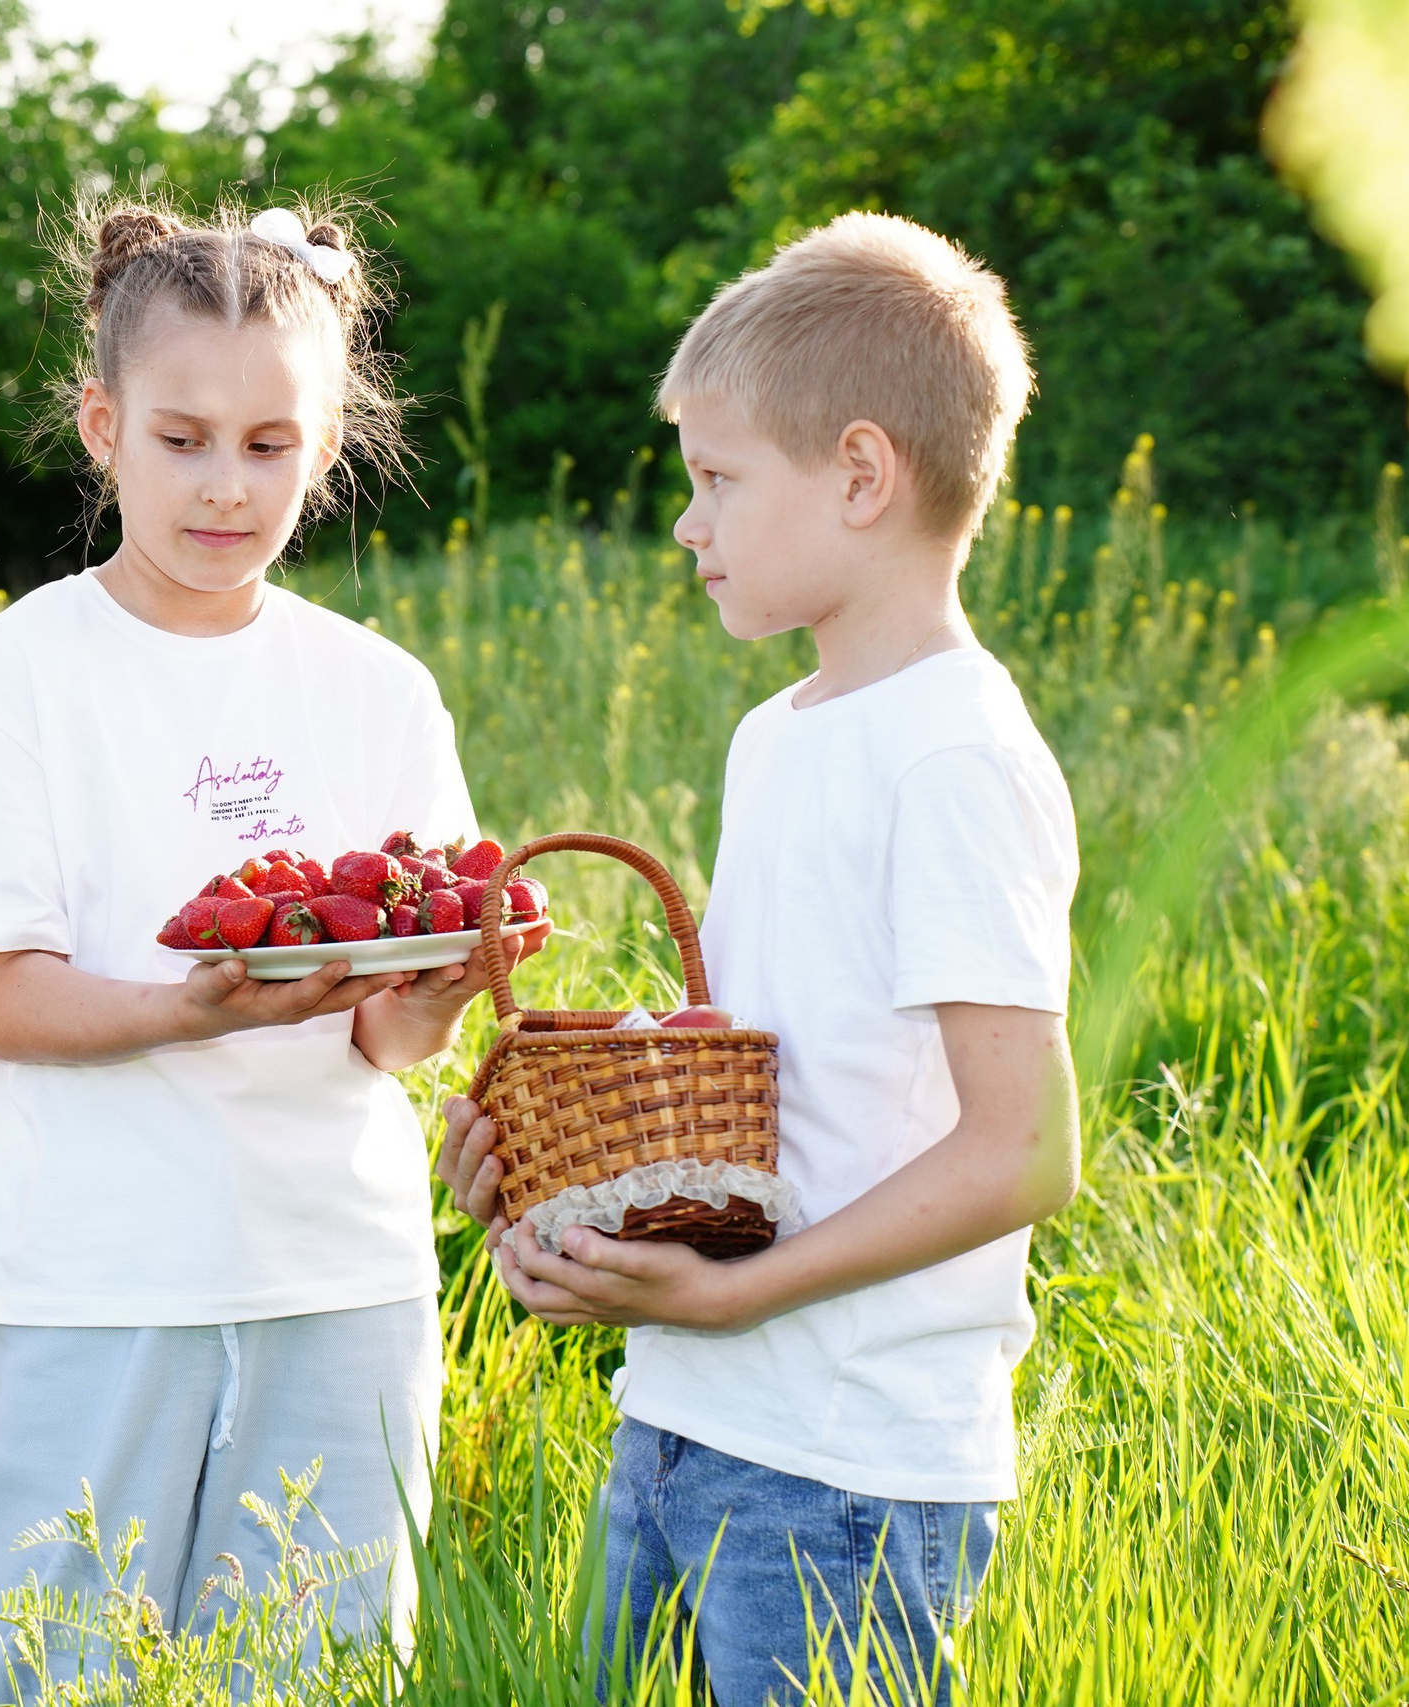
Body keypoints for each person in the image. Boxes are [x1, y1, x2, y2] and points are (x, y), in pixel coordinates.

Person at [0, 200, 543, 1703]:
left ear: (326, 450)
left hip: (336, 1271)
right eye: (182, 439)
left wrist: (436, 988)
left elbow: (383, 1039)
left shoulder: (376, 690)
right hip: (90, 1279)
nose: (224, 487)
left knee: (312, 1671)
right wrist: (196, 1012)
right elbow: (1, 999)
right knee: (59, 1668)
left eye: (269, 446)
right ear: (101, 424)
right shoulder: (28, 672)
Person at [437, 212, 1081, 1705]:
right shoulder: (775, 738)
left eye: (719, 481)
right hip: (683, 1421)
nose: (688, 523)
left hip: (847, 1476)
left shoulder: (955, 758)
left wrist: (750, 1291)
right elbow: (756, 1080)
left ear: (861, 475)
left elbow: (1026, 1149)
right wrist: (556, 1179)